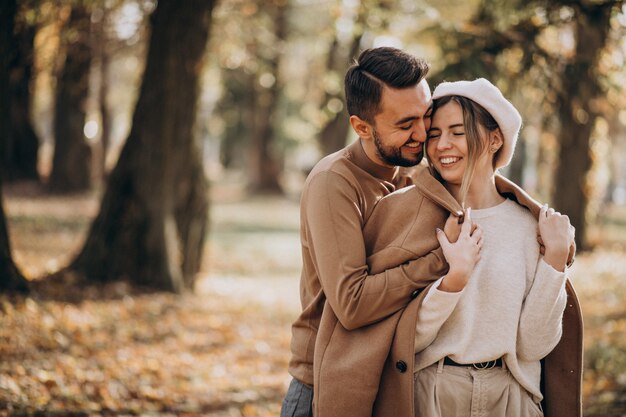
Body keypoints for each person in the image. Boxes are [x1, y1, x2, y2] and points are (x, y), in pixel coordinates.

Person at [353, 78, 582, 417]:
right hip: (431, 393)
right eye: (434, 134)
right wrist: (453, 280)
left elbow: (534, 345)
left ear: (494, 139)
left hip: (511, 397)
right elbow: (400, 340)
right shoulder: (402, 213)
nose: (442, 145)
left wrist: (555, 262)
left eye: (458, 132)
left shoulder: (532, 229)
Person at [280, 46, 442, 417]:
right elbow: (351, 304)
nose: (422, 133)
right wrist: (438, 263)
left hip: (388, 374)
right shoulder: (333, 183)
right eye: (405, 124)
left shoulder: (414, 172)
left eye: (426, 115)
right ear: (361, 127)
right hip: (323, 384)